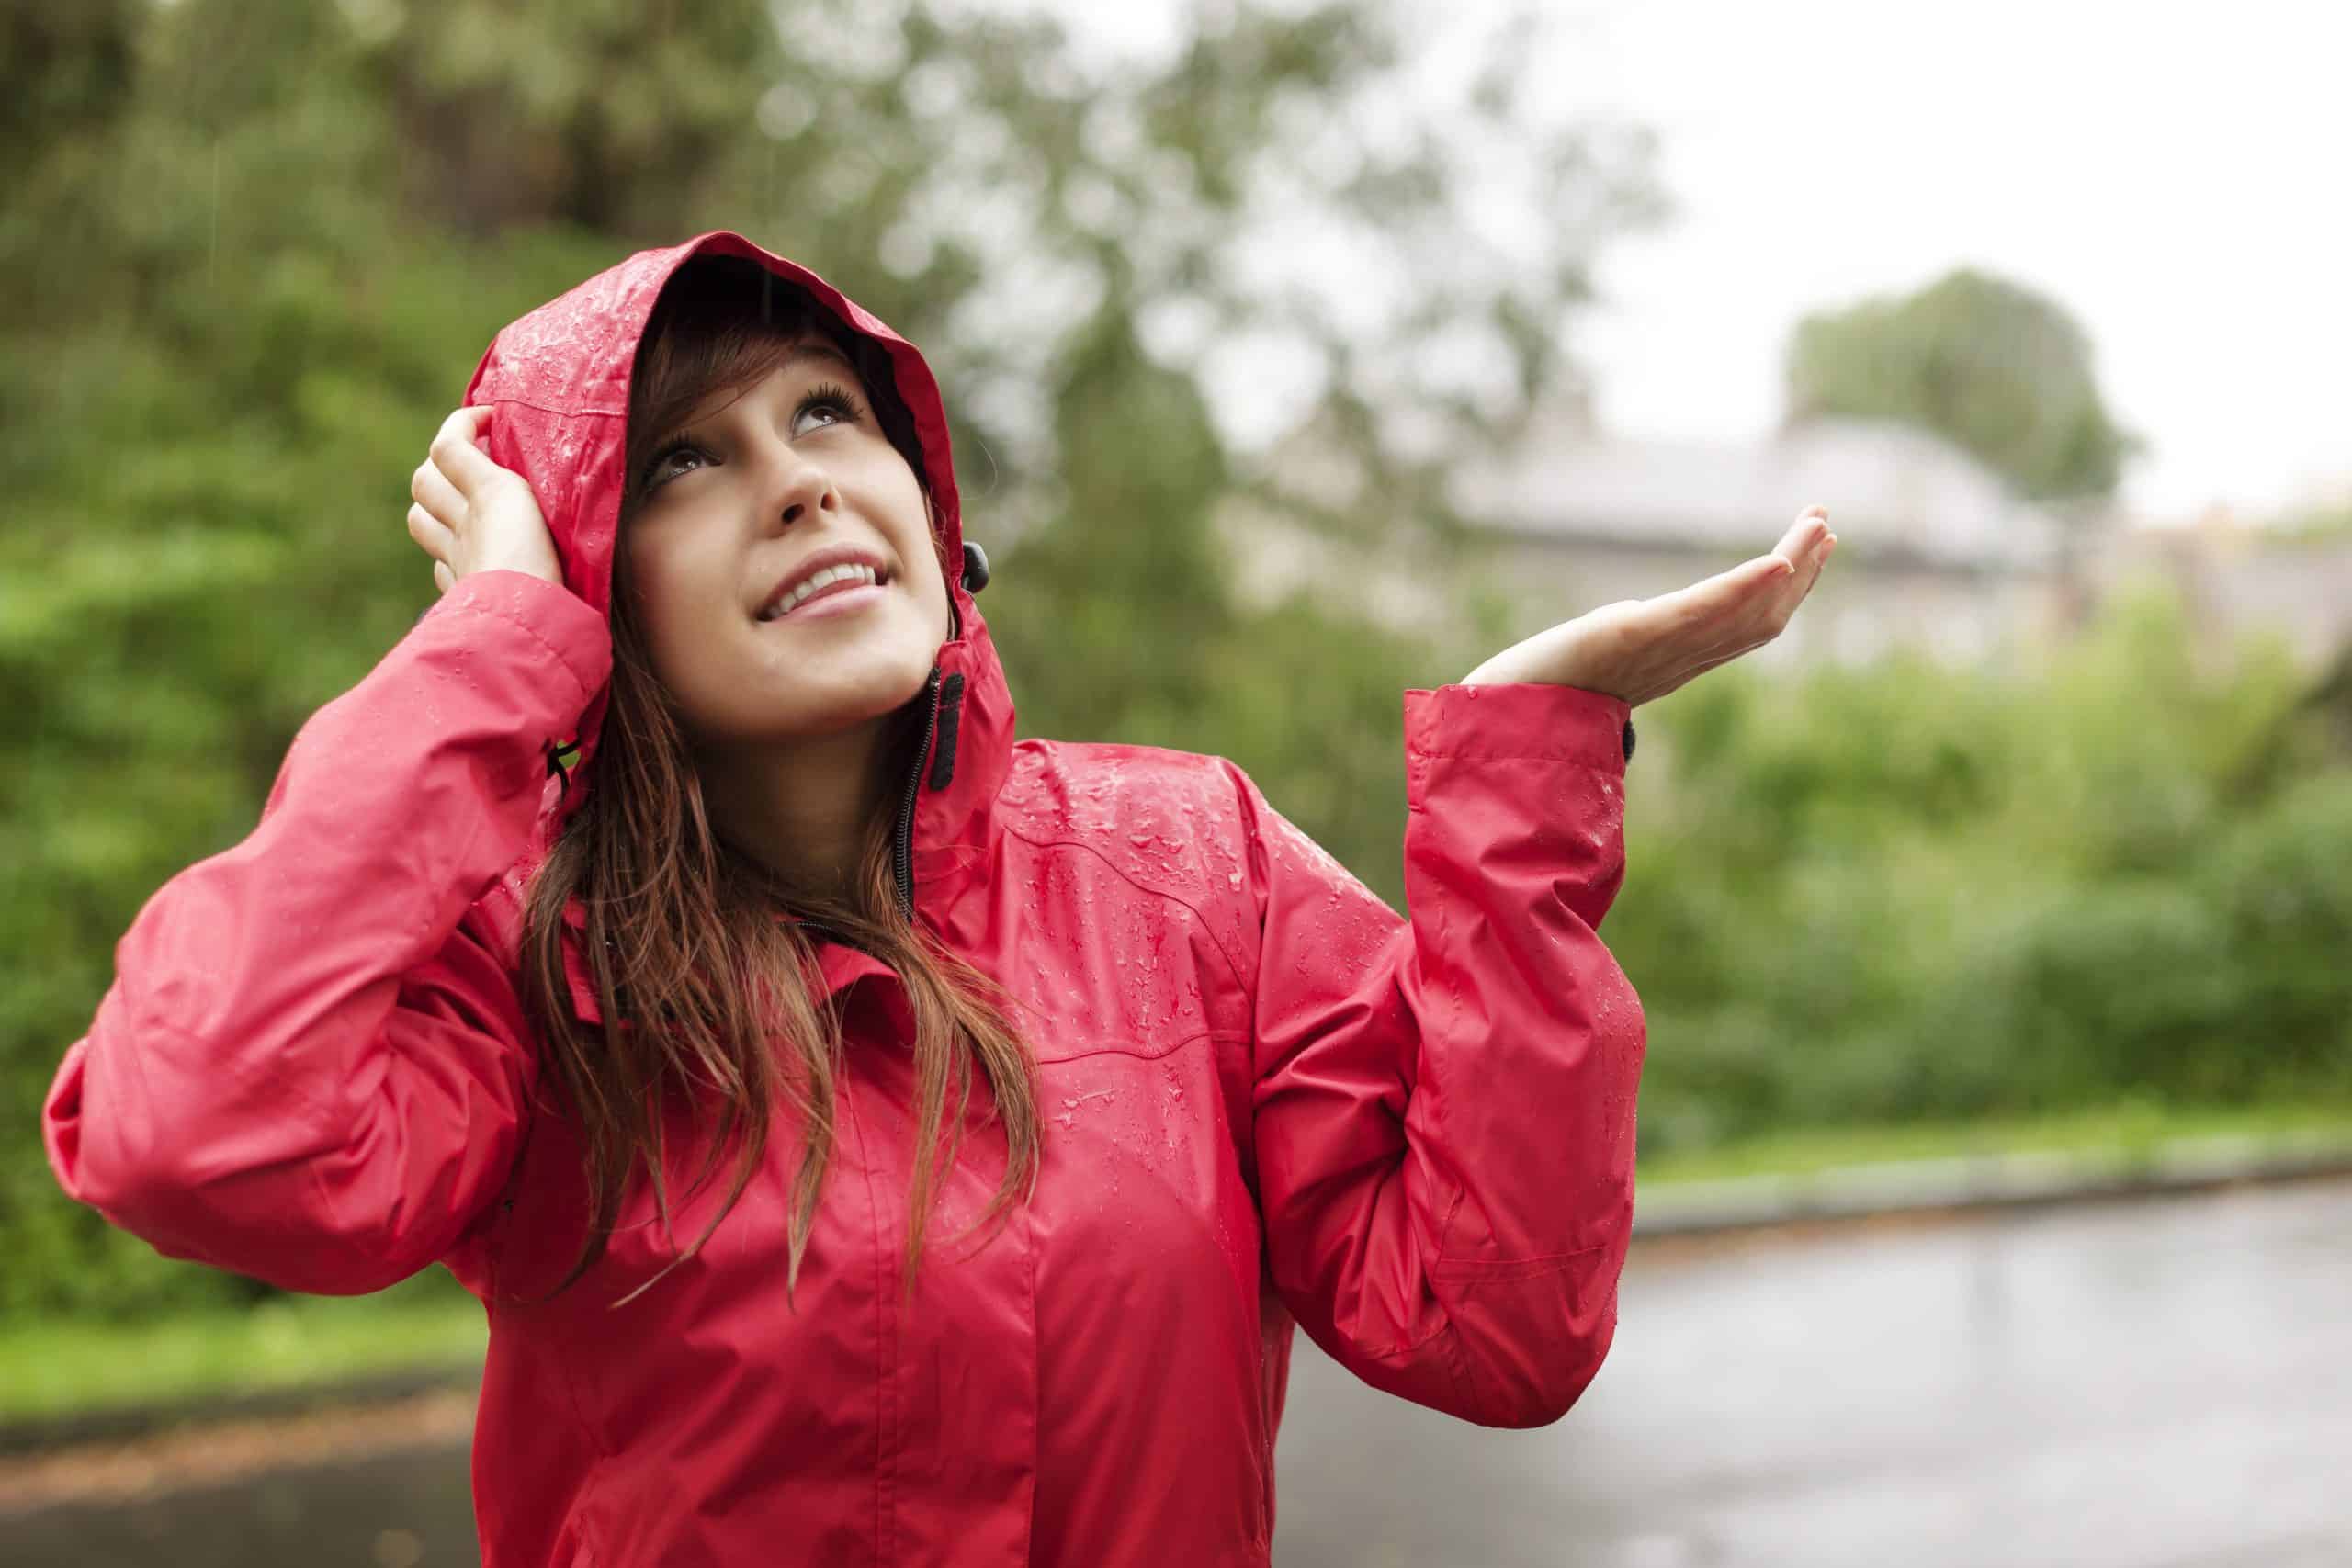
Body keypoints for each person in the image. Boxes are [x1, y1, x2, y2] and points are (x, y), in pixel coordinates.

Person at [41, 231, 1835, 1565]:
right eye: (685, 459)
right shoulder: (533, 958)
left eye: (827, 413)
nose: (799, 481)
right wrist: (491, 654)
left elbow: (1492, 1323)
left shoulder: (1189, 866)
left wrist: (1518, 778)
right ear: (592, 580)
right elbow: (191, 1128)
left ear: (925, 497)